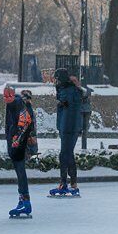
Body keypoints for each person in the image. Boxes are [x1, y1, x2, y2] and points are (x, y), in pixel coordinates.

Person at [50, 68, 83, 197]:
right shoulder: (68, 90)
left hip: (69, 127)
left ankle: (64, 183)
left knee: (64, 155)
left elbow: (69, 109)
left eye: (56, 79)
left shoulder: (68, 91)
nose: (55, 82)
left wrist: (61, 102)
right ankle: (73, 183)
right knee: (68, 154)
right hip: (68, 127)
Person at [4, 85, 35, 218]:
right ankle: (24, 200)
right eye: (5, 96)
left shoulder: (18, 105)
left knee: (20, 171)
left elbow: (25, 125)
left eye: (8, 95)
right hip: (15, 143)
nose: (6, 98)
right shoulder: (12, 105)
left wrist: (17, 140)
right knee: (20, 171)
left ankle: (25, 201)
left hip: (19, 144)